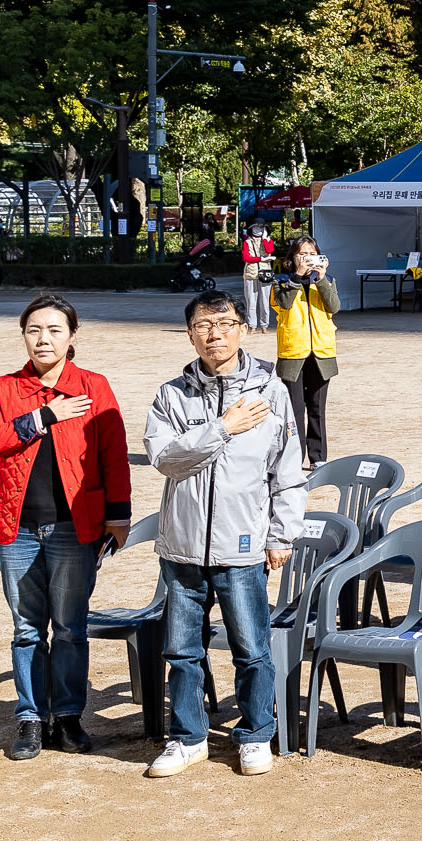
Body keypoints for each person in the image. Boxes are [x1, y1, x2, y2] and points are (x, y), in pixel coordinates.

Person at [143, 291, 307, 778]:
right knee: (182, 651)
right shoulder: (172, 394)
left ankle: (256, 733)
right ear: (190, 333)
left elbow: (288, 471)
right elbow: (165, 458)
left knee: (251, 647)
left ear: (243, 328)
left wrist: (282, 535)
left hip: (243, 546)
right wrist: (222, 427)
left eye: (225, 323)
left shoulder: (271, 390)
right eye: (203, 325)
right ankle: (187, 737)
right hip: (182, 548)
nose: (214, 334)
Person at [0, 295, 133, 760]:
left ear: (72, 336)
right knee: (26, 629)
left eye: (54, 330)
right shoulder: (3, 387)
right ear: (24, 336)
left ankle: (67, 717)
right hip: (16, 526)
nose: (43, 339)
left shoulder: (93, 386)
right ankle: (29, 719)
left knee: (69, 628)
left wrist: (118, 517)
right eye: (34, 330)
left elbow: (113, 454)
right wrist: (43, 416)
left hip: (74, 527)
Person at [270, 235, 340, 469]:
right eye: (302, 253)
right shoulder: (281, 280)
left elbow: (334, 306)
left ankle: (318, 458)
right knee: (294, 409)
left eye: (312, 253)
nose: (307, 258)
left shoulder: (326, 280)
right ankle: (293, 457)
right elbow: (284, 304)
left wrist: (321, 279)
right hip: (293, 352)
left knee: (317, 408)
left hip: (322, 352)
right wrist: (297, 276)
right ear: (293, 257)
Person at [239, 219, 277, 330]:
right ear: (251, 228)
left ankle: (265, 325)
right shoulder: (247, 242)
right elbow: (246, 258)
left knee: (265, 301)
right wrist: (261, 258)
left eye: (261, 227)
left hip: (265, 273)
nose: (258, 229)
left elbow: (270, 249)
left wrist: (265, 238)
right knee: (251, 301)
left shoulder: (268, 240)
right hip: (250, 274)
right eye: (256, 227)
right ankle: (252, 326)